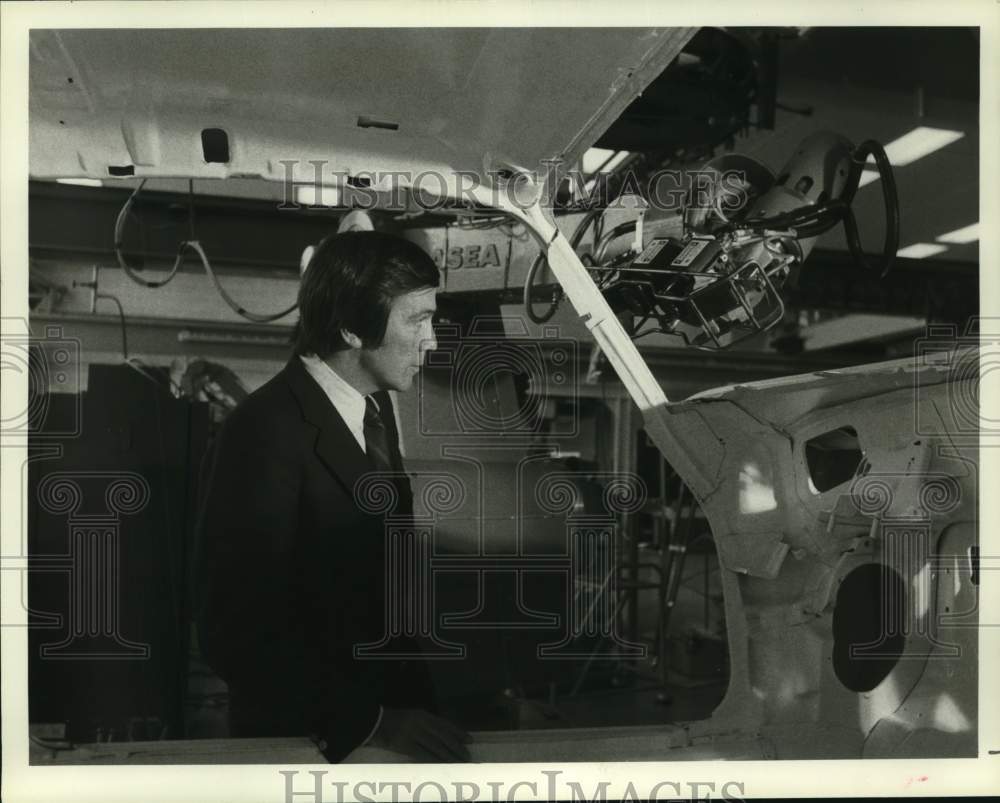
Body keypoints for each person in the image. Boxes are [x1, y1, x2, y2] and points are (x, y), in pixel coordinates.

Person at [194, 231, 470, 762]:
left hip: (392, 728)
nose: (431, 341)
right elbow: (233, 631)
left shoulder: (372, 411)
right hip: (314, 745)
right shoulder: (263, 432)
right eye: (416, 320)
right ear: (350, 326)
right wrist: (371, 723)